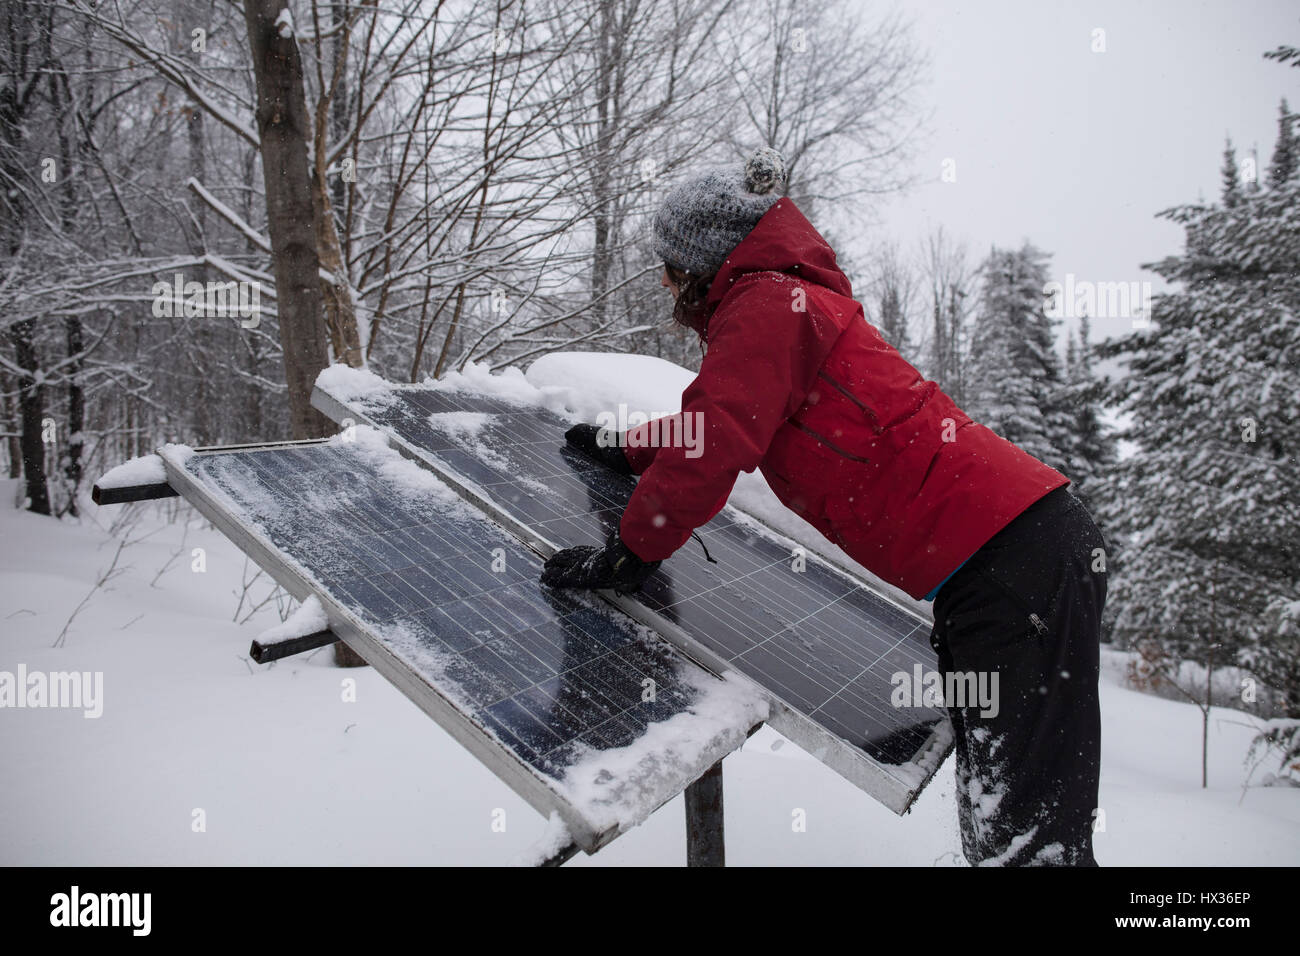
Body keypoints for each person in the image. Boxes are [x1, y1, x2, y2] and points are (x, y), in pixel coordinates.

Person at [540, 146, 1107, 867]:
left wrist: (631, 551)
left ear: (699, 266)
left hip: (1012, 563)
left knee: (1028, 846)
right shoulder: (784, 303)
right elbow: (725, 417)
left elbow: (714, 440)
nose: (664, 282)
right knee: (1009, 824)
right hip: (1008, 558)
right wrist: (628, 449)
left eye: (670, 267)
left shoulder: (768, 304)